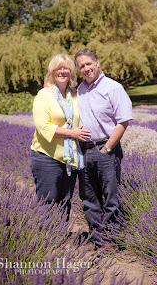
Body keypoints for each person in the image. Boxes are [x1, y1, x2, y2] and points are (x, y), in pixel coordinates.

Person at [75, 48, 133, 247]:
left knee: (111, 197)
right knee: (89, 197)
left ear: (97, 63)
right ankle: (97, 240)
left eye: (89, 63)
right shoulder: (80, 90)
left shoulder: (113, 88)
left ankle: (111, 240)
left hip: (106, 149)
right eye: (81, 66)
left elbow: (123, 121)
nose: (86, 68)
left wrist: (107, 148)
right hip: (84, 151)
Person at [30, 54, 90, 220]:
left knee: (65, 200)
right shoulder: (44, 95)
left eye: (66, 68)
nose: (62, 71)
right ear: (52, 72)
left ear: (71, 72)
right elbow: (42, 126)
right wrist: (72, 133)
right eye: (59, 68)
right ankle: (46, 240)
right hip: (46, 156)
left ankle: (61, 238)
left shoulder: (76, 95)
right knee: (48, 201)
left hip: (70, 158)